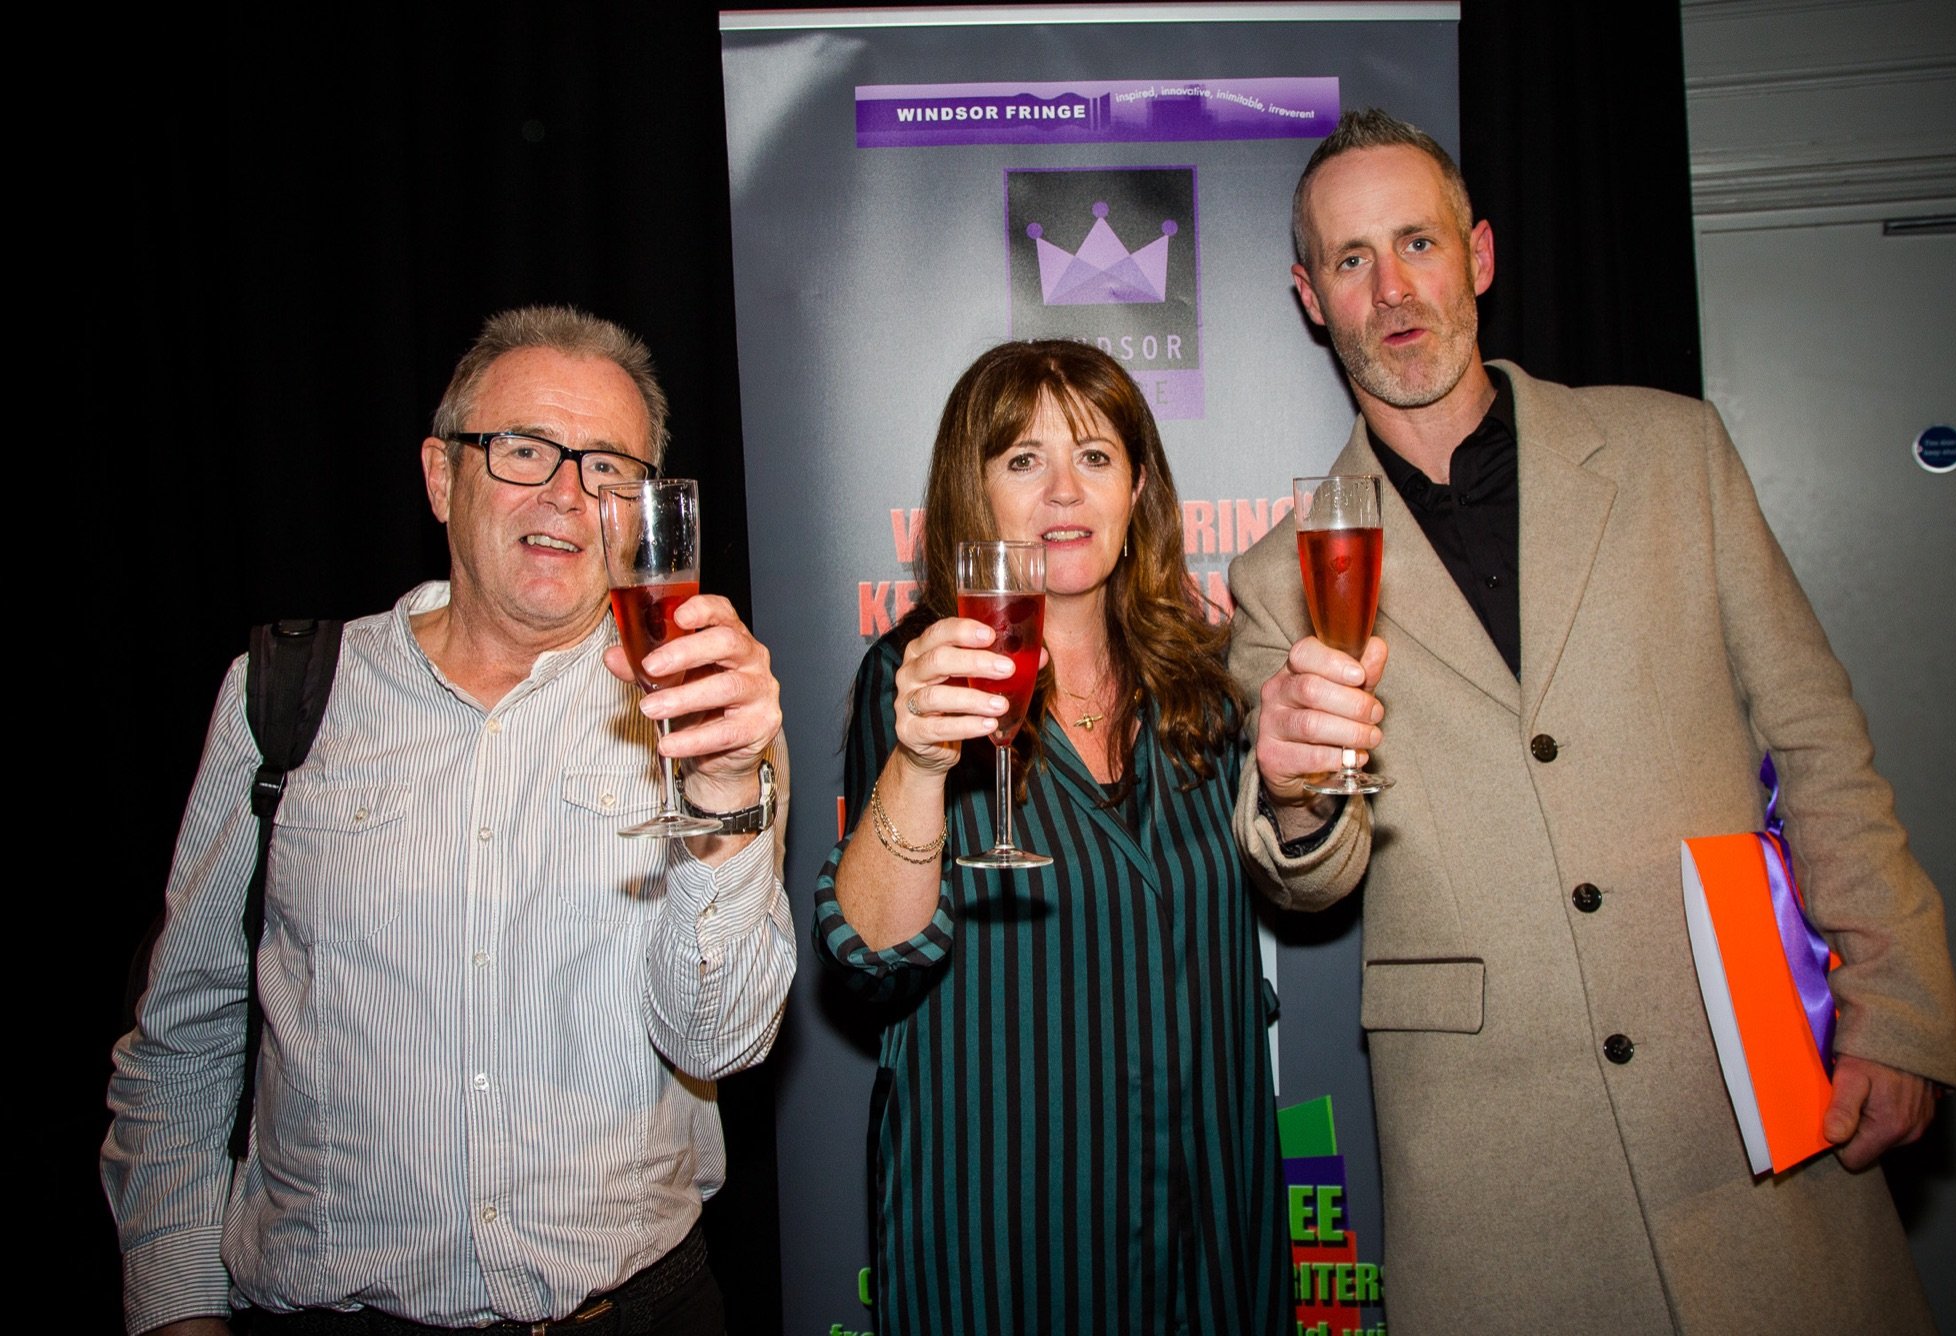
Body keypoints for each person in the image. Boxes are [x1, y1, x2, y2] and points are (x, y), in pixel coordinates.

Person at [1228, 108, 1956, 1332]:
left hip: (1739, 1093)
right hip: (1495, 1167)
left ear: (1482, 254)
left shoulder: (1674, 452)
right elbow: (1307, 881)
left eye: (1417, 242)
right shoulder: (1276, 574)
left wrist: (1896, 1006)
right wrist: (1297, 787)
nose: (1392, 289)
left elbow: (1818, 743)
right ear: (1310, 297)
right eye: (1351, 261)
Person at [103, 306, 796, 1335]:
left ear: (645, 509)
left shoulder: (709, 714)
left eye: (608, 467)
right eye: (523, 449)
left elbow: (722, 1038)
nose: (567, 492)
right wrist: (173, 1310)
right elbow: (183, 1039)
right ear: (441, 475)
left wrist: (722, 789)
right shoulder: (287, 695)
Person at [816, 341, 1291, 1334]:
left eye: (1095, 455)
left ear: (1139, 486)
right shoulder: (917, 683)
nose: (1063, 491)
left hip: (1209, 1219)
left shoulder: (1201, 683)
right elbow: (873, 963)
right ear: (972, 492)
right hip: (1010, 1233)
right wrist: (915, 763)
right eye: (1023, 461)